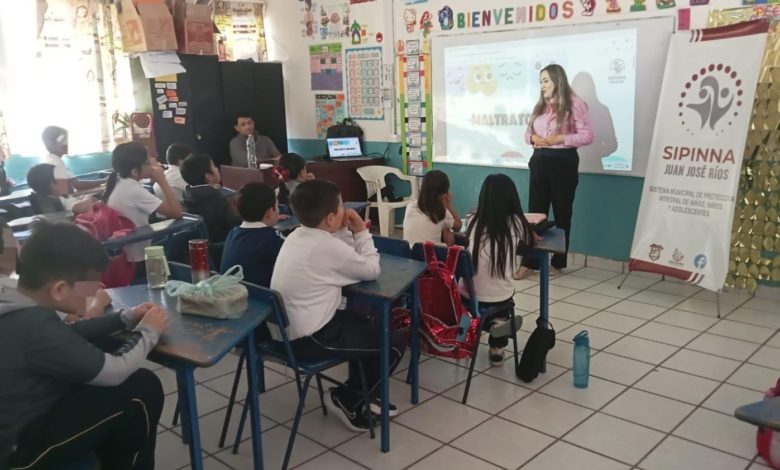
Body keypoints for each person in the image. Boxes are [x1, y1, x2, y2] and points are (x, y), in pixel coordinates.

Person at [0, 221, 169, 469]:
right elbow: (114, 371)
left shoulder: (15, 298)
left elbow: (68, 333)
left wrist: (125, 317)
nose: (94, 292)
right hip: (19, 451)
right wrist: (148, 331)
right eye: (89, 288)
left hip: (26, 417)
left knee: (104, 344)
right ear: (59, 289)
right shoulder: (33, 324)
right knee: (142, 386)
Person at [270, 180, 405, 431]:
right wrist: (361, 232)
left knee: (366, 325)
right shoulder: (324, 246)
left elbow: (343, 256)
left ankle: (364, 393)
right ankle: (347, 399)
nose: (346, 210)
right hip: (309, 339)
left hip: (283, 334)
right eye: (342, 206)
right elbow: (371, 269)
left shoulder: (297, 235)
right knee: (393, 343)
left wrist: (343, 232)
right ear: (331, 218)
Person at [515, 64, 593, 279]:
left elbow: (587, 136)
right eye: (540, 81)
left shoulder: (575, 104)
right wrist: (533, 138)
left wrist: (562, 138)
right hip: (539, 161)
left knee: (562, 213)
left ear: (558, 80)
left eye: (546, 81)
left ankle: (558, 263)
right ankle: (528, 262)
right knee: (534, 213)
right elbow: (527, 133)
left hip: (563, 163)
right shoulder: (540, 105)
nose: (542, 86)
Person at [463, 174, 535, 365]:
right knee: (502, 299)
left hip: (466, 296)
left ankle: (478, 325)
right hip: (499, 297)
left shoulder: (472, 220)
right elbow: (532, 239)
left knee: (481, 303)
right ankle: (497, 345)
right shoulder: (516, 223)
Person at [103, 142, 183, 262]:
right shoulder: (133, 190)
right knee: (184, 239)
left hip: (127, 252)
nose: (152, 167)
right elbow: (177, 213)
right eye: (148, 163)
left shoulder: (120, 182)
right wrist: (162, 180)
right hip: (138, 259)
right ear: (135, 171)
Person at [221, 182, 285, 288]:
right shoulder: (273, 238)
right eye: (277, 206)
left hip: (232, 293)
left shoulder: (232, 234)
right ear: (270, 212)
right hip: (260, 296)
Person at [180, 153, 241, 244]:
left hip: (200, 243)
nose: (217, 169)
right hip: (222, 244)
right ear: (208, 176)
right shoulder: (215, 196)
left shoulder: (187, 193)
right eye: (214, 166)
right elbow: (234, 223)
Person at [402, 170, 462, 246]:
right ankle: (450, 251)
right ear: (444, 194)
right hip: (430, 252)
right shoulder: (441, 212)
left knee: (444, 226)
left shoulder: (410, 207)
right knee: (447, 230)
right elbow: (458, 226)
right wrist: (448, 205)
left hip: (409, 252)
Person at [40, 126, 105, 196]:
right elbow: (77, 185)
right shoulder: (56, 163)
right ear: (50, 144)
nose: (66, 144)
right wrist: (105, 180)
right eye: (62, 141)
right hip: (68, 201)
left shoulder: (50, 160)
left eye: (66, 140)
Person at [26, 163, 95, 215]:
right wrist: (88, 197)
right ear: (53, 185)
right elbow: (84, 207)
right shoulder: (62, 199)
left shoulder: (47, 199)